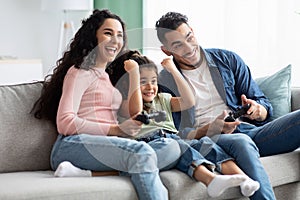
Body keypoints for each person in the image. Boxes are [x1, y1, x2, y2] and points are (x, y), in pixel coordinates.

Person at [54, 50, 261, 198]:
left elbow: (189, 100)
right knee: (178, 146)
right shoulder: (126, 104)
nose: (150, 87)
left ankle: (243, 179)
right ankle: (209, 178)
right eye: (143, 82)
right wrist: (134, 74)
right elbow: (135, 110)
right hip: (149, 143)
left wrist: (172, 69)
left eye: (153, 81)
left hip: (172, 140)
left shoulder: (162, 100)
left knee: (207, 145)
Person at [31, 9, 183, 200]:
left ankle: (87, 173)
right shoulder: (79, 72)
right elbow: (65, 122)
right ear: (93, 37)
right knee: (142, 152)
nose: (115, 40)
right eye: (108, 33)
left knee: (172, 147)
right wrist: (116, 130)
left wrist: (132, 124)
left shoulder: (106, 77)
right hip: (72, 145)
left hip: (104, 145)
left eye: (119, 35)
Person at [155, 11, 300, 200]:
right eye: (178, 45)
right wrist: (211, 128)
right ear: (166, 50)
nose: (189, 48)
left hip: (250, 130)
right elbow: (176, 134)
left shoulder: (228, 60)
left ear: (192, 31)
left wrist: (257, 111)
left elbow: (263, 103)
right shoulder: (164, 82)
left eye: (189, 37)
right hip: (211, 140)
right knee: (241, 141)